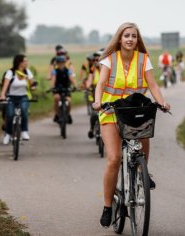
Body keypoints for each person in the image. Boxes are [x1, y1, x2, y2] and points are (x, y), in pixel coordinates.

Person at [92, 22, 170, 228]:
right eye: (126, 35)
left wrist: (161, 101)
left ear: (138, 40)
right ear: (119, 38)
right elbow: (100, 84)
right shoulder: (110, 60)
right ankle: (108, 206)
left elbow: (152, 84)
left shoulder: (144, 59)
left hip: (134, 109)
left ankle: (143, 173)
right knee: (114, 158)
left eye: (134, 36)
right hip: (111, 111)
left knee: (145, 132)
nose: (130, 39)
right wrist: (97, 101)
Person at [0, 54, 36, 144]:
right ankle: (7, 134)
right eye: (25, 61)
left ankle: (24, 131)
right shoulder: (10, 73)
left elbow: (32, 84)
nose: (27, 63)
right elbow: (5, 85)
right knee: (10, 114)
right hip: (11, 97)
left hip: (23, 96)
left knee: (24, 110)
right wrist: (3, 95)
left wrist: (33, 86)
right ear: (20, 63)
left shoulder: (27, 72)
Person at [51, 55, 77, 124]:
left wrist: (75, 86)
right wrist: (52, 87)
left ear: (64, 63)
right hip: (57, 89)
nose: (61, 64)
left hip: (66, 88)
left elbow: (71, 78)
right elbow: (53, 80)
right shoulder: (55, 71)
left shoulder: (68, 71)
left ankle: (68, 114)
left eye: (62, 62)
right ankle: (57, 114)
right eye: (59, 63)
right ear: (57, 63)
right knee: (56, 98)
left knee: (69, 100)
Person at [87, 50, 103, 138]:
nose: (96, 62)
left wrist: (100, 67)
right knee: (93, 114)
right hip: (95, 95)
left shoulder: (106, 69)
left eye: (98, 60)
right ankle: (92, 129)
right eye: (95, 60)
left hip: (106, 96)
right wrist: (87, 86)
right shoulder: (92, 70)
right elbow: (89, 80)